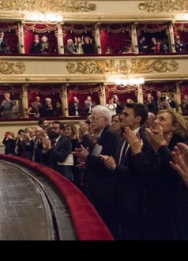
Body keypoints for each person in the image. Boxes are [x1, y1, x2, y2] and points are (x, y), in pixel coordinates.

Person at [124, 109, 188, 240]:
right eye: (155, 119)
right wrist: (135, 151)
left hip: (172, 213)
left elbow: (162, 176)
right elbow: (141, 174)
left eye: (162, 119)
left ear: (174, 126)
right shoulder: (151, 146)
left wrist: (138, 151)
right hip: (150, 210)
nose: (156, 121)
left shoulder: (181, 146)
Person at [101, 102, 149, 240]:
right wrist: (111, 163)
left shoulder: (143, 140)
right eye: (122, 113)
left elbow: (140, 172)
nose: (121, 117)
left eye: (126, 114)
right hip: (119, 195)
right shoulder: (123, 138)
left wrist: (116, 167)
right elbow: (119, 162)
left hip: (134, 200)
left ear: (138, 119)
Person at [72, 105, 120, 238]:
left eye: (94, 118)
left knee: (107, 223)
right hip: (99, 185)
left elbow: (102, 158)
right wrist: (87, 160)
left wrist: (87, 154)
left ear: (105, 120)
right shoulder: (104, 133)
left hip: (106, 187)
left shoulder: (109, 134)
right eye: (91, 118)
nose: (91, 121)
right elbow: (96, 155)